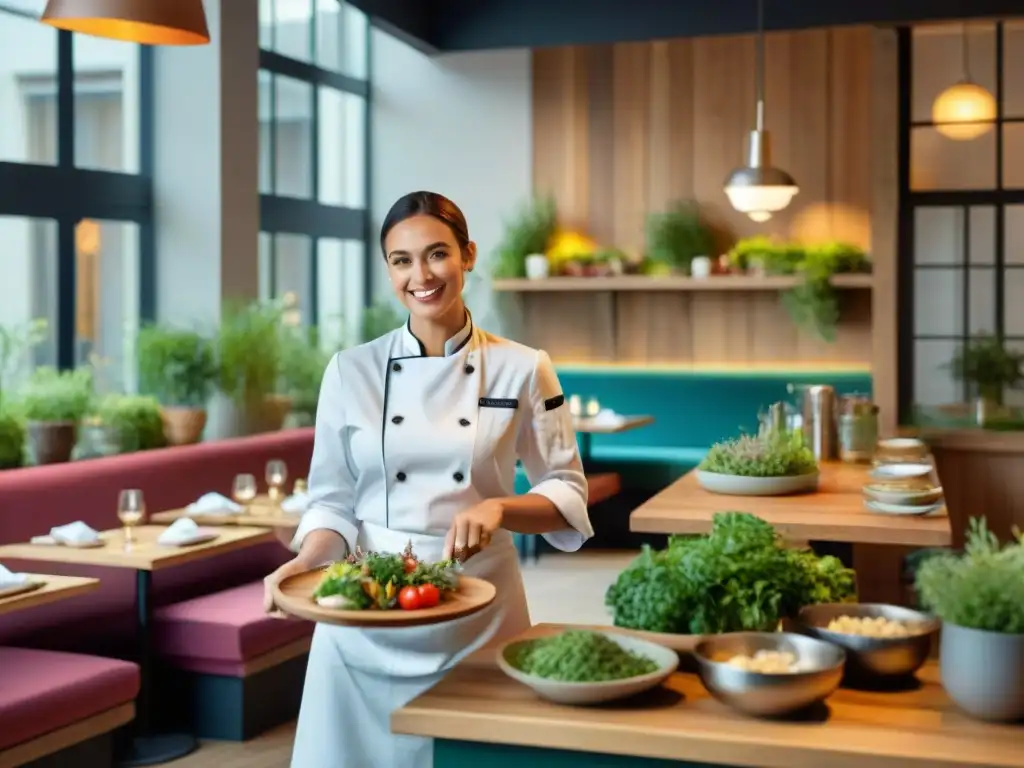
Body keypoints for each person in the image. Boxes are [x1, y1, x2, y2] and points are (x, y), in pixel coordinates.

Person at [263, 190, 593, 768]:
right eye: (402, 260)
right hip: (365, 608)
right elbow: (333, 503)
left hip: (478, 605)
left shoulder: (524, 366)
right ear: (388, 269)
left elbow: (566, 489)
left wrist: (499, 510)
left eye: (437, 254)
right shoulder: (350, 371)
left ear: (467, 255)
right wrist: (305, 562)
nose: (421, 275)